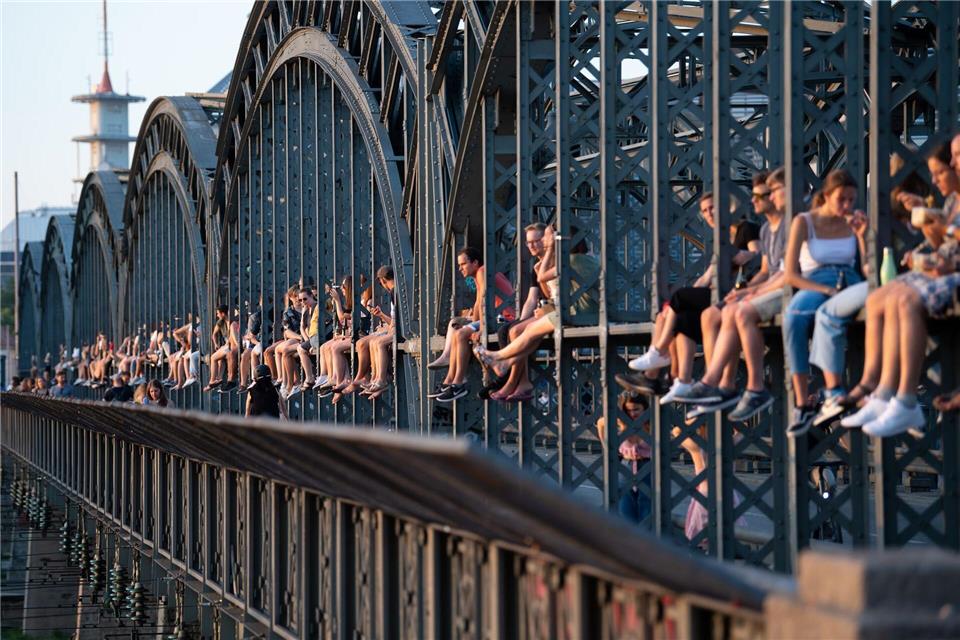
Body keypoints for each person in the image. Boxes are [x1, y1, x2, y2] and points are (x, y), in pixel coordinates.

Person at [841, 140, 960, 437]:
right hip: (943, 269)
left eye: (954, 160)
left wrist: (939, 250)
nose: (937, 178)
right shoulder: (952, 201)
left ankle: (906, 400)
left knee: (905, 300)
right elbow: (943, 246)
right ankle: (881, 391)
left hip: (952, 274)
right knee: (881, 297)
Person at [671, 169, 788, 419]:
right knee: (711, 314)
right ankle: (718, 385)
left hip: (787, 289)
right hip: (764, 287)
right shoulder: (767, 230)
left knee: (728, 309)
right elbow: (766, 271)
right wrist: (745, 290)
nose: (754, 201)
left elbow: (781, 271)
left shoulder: (781, 225)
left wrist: (749, 289)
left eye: (761, 195)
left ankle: (722, 383)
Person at [625, 192, 760, 404]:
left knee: (679, 298)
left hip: (736, 294)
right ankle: (680, 380)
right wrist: (676, 305)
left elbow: (758, 256)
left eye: (713, 208)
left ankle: (658, 354)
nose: (709, 214)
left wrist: (734, 253)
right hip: (721, 293)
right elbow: (707, 277)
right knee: (680, 317)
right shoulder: (722, 238)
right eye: (705, 211)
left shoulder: (746, 228)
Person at [474, 224, 599, 401]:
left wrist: (549, 253)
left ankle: (502, 361)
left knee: (520, 331)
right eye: (529, 242)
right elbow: (543, 294)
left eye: (544, 238)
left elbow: (545, 282)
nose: (537, 244)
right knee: (517, 330)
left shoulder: (570, 260)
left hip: (573, 312)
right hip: (563, 309)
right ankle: (515, 376)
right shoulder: (565, 260)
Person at [430, 247, 515, 403]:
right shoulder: (479, 274)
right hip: (495, 316)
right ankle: (450, 379)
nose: (460, 268)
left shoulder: (482, 272)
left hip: (504, 318)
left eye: (463, 264)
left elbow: (483, 301)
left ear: (475, 262)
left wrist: (480, 328)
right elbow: (478, 304)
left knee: (461, 334)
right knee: (457, 328)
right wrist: (473, 323)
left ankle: (458, 382)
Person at [595, 392, 653, 523]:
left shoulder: (652, 424)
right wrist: (607, 447)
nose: (632, 414)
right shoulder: (622, 422)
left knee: (647, 511)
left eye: (636, 409)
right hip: (625, 467)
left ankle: (645, 542)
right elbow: (600, 423)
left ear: (645, 408)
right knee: (625, 510)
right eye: (628, 410)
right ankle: (630, 542)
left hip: (648, 467)